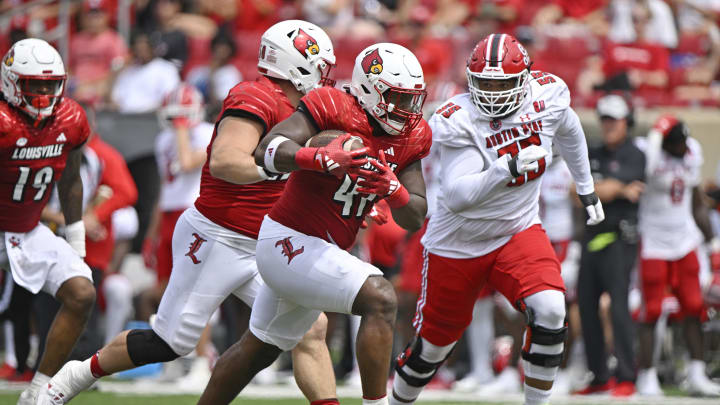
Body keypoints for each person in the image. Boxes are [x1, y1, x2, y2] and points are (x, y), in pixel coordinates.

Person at [37, 20, 339, 405]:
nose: (325, 76)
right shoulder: (256, 96)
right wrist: (296, 159)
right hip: (219, 236)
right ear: (292, 61)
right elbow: (226, 161)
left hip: (267, 239)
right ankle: (72, 377)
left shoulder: (306, 108)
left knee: (312, 328)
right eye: (319, 64)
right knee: (169, 342)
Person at [197, 42, 432, 405]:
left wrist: (393, 189)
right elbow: (267, 150)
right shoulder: (331, 105)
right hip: (287, 240)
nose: (408, 111)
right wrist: (318, 157)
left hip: (319, 251)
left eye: (412, 100)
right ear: (371, 90)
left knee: (256, 350)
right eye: (399, 99)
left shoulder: (412, 137)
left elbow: (415, 215)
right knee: (381, 298)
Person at [389, 33, 604, 405]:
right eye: (484, 83)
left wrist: (586, 187)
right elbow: (456, 197)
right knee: (435, 348)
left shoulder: (547, 95)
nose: (491, 92)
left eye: (501, 83)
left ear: (524, 79)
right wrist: (504, 168)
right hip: (457, 242)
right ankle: (397, 400)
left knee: (552, 310)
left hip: (516, 231)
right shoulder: (457, 117)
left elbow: (568, 128)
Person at [0, 39, 96, 405]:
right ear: (11, 82)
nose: (43, 92)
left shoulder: (70, 118)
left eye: (49, 83)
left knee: (81, 293)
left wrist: (77, 240)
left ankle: (39, 391)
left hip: (27, 229)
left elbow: (71, 180)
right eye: (33, 84)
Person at [634, 114, 720, 397]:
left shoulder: (693, 150)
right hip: (654, 242)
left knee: (695, 306)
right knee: (653, 310)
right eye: (677, 143)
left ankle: (697, 374)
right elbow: (643, 171)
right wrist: (657, 138)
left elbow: (696, 201)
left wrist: (711, 241)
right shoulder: (649, 153)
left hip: (684, 240)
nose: (684, 148)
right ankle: (646, 378)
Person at [575, 94, 645, 396]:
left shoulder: (635, 154)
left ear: (626, 122)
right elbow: (575, 189)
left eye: (613, 120)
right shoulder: (591, 151)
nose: (608, 125)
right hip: (591, 237)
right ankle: (599, 376)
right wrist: (614, 189)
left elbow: (595, 187)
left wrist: (599, 188)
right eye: (604, 120)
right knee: (586, 308)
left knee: (617, 308)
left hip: (619, 238)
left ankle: (627, 375)